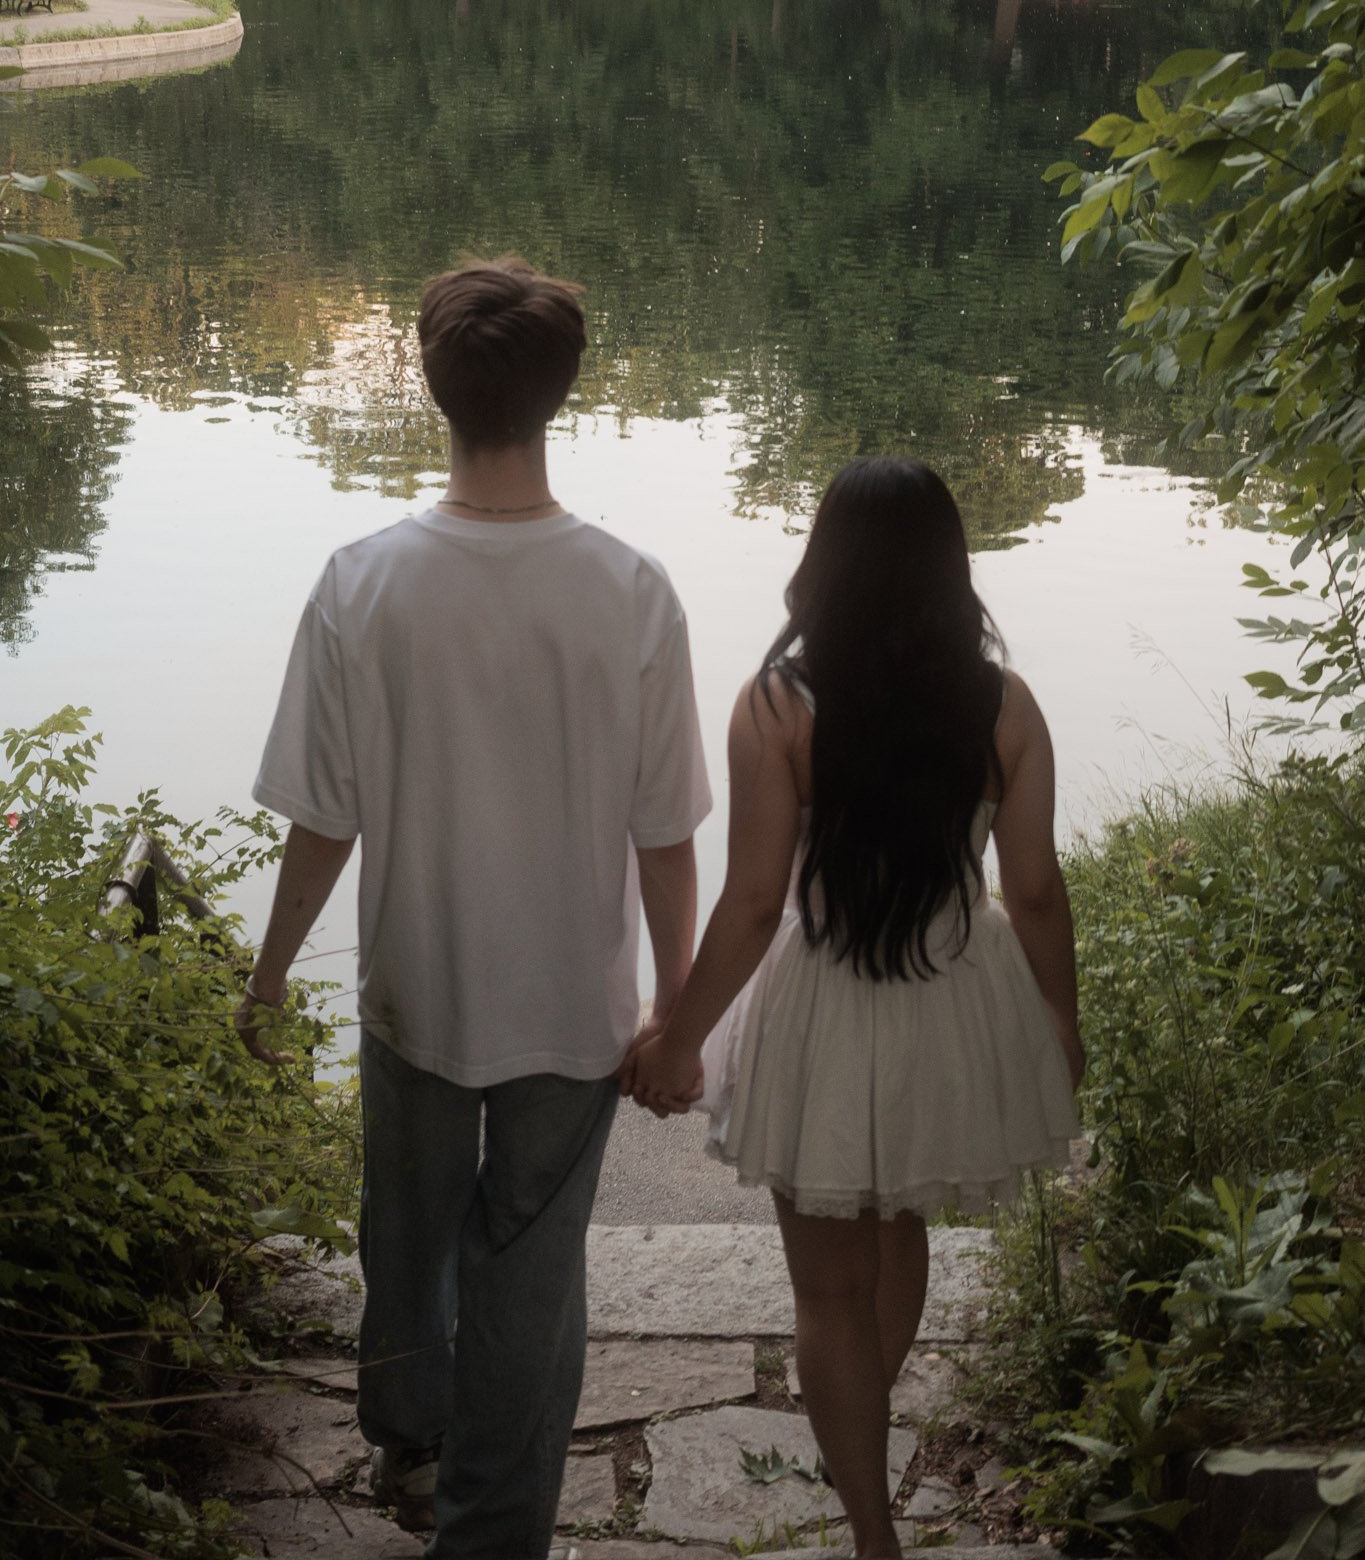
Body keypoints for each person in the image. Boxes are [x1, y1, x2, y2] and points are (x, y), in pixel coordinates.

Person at [237, 255, 712, 1558]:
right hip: (571, 1005)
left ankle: (408, 1430)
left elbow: (323, 816)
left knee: (406, 1232)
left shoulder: (362, 580)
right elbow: (664, 836)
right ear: (562, 392)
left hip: (414, 991)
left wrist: (268, 978)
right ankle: (493, 1524)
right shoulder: (631, 590)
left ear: (430, 387)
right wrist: (675, 1009)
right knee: (529, 1274)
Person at [628, 458, 1081, 1560]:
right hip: (951, 995)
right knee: (900, 1224)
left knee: (827, 1287)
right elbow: (1031, 889)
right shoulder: (1004, 706)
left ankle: (870, 1521)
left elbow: (748, 899)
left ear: (821, 561)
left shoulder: (777, 703)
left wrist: (676, 1036)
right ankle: (861, 1441)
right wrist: (1062, 1023)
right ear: (949, 568)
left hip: (825, 997)